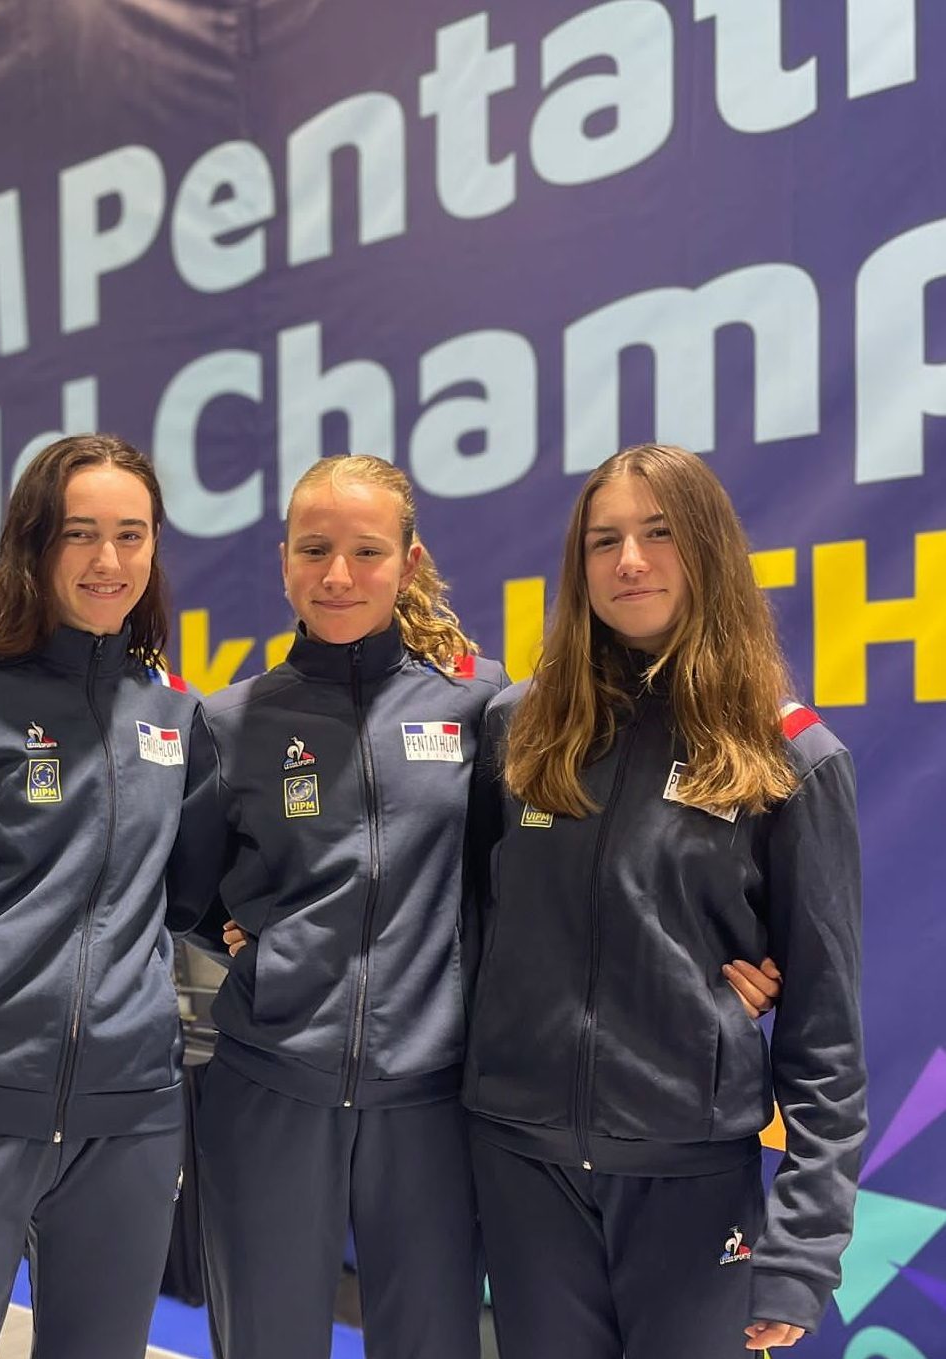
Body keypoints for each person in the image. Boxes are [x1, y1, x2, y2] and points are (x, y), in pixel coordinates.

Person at [168, 453, 783, 1359]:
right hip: (269, 1088)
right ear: (283, 559)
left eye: (367, 550)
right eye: (314, 548)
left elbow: (533, 879)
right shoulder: (229, 723)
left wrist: (716, 963)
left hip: (434, 1099)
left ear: (408, 562)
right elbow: (187, 895)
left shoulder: (483, 708)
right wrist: (256, 942)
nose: (338, 574)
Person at [461, 444, 866, 1358]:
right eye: (604, 540)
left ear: (709, 548)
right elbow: (471, 930)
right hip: (523, 1169)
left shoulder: (789, 755)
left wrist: (802, 1248)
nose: (630, 561)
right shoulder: (519, 726)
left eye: (659, 533)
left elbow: (826, 1034)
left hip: (691, 1180)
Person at [0, 434, 219, 1359]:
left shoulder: (177, 715)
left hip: (131, 1120)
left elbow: (187, 902)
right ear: (32, 542)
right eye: (79, 533)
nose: (109, 560)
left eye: (131, 534)